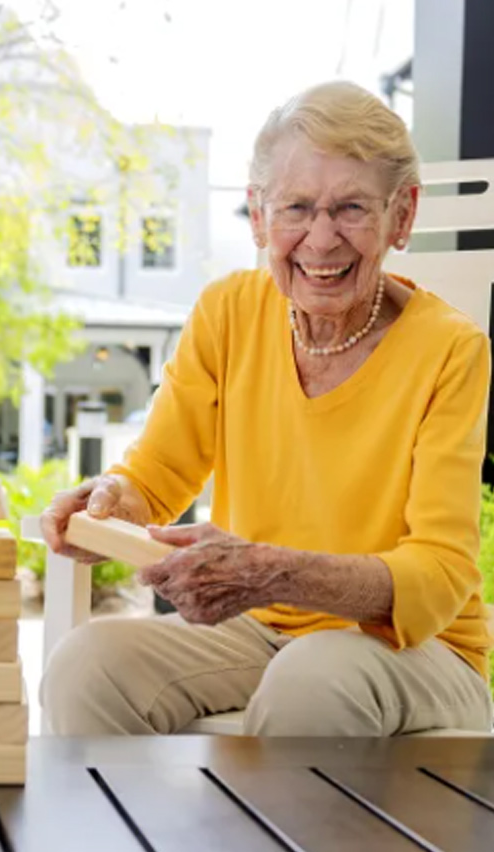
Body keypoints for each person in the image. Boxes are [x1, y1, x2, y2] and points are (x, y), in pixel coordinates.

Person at [40, 81, 494, 737]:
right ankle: (134, 816)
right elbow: (157, 475)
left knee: (312, 679)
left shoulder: (451, 349)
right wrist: (110, 503)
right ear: (258, 215)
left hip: (417, 651)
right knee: (85, 666)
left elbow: (441, 573)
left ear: (402, 215)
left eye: (352, 208)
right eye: (297, 207)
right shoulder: (227, 313)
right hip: (258, 634)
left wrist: (270, 572)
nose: (321, 239)